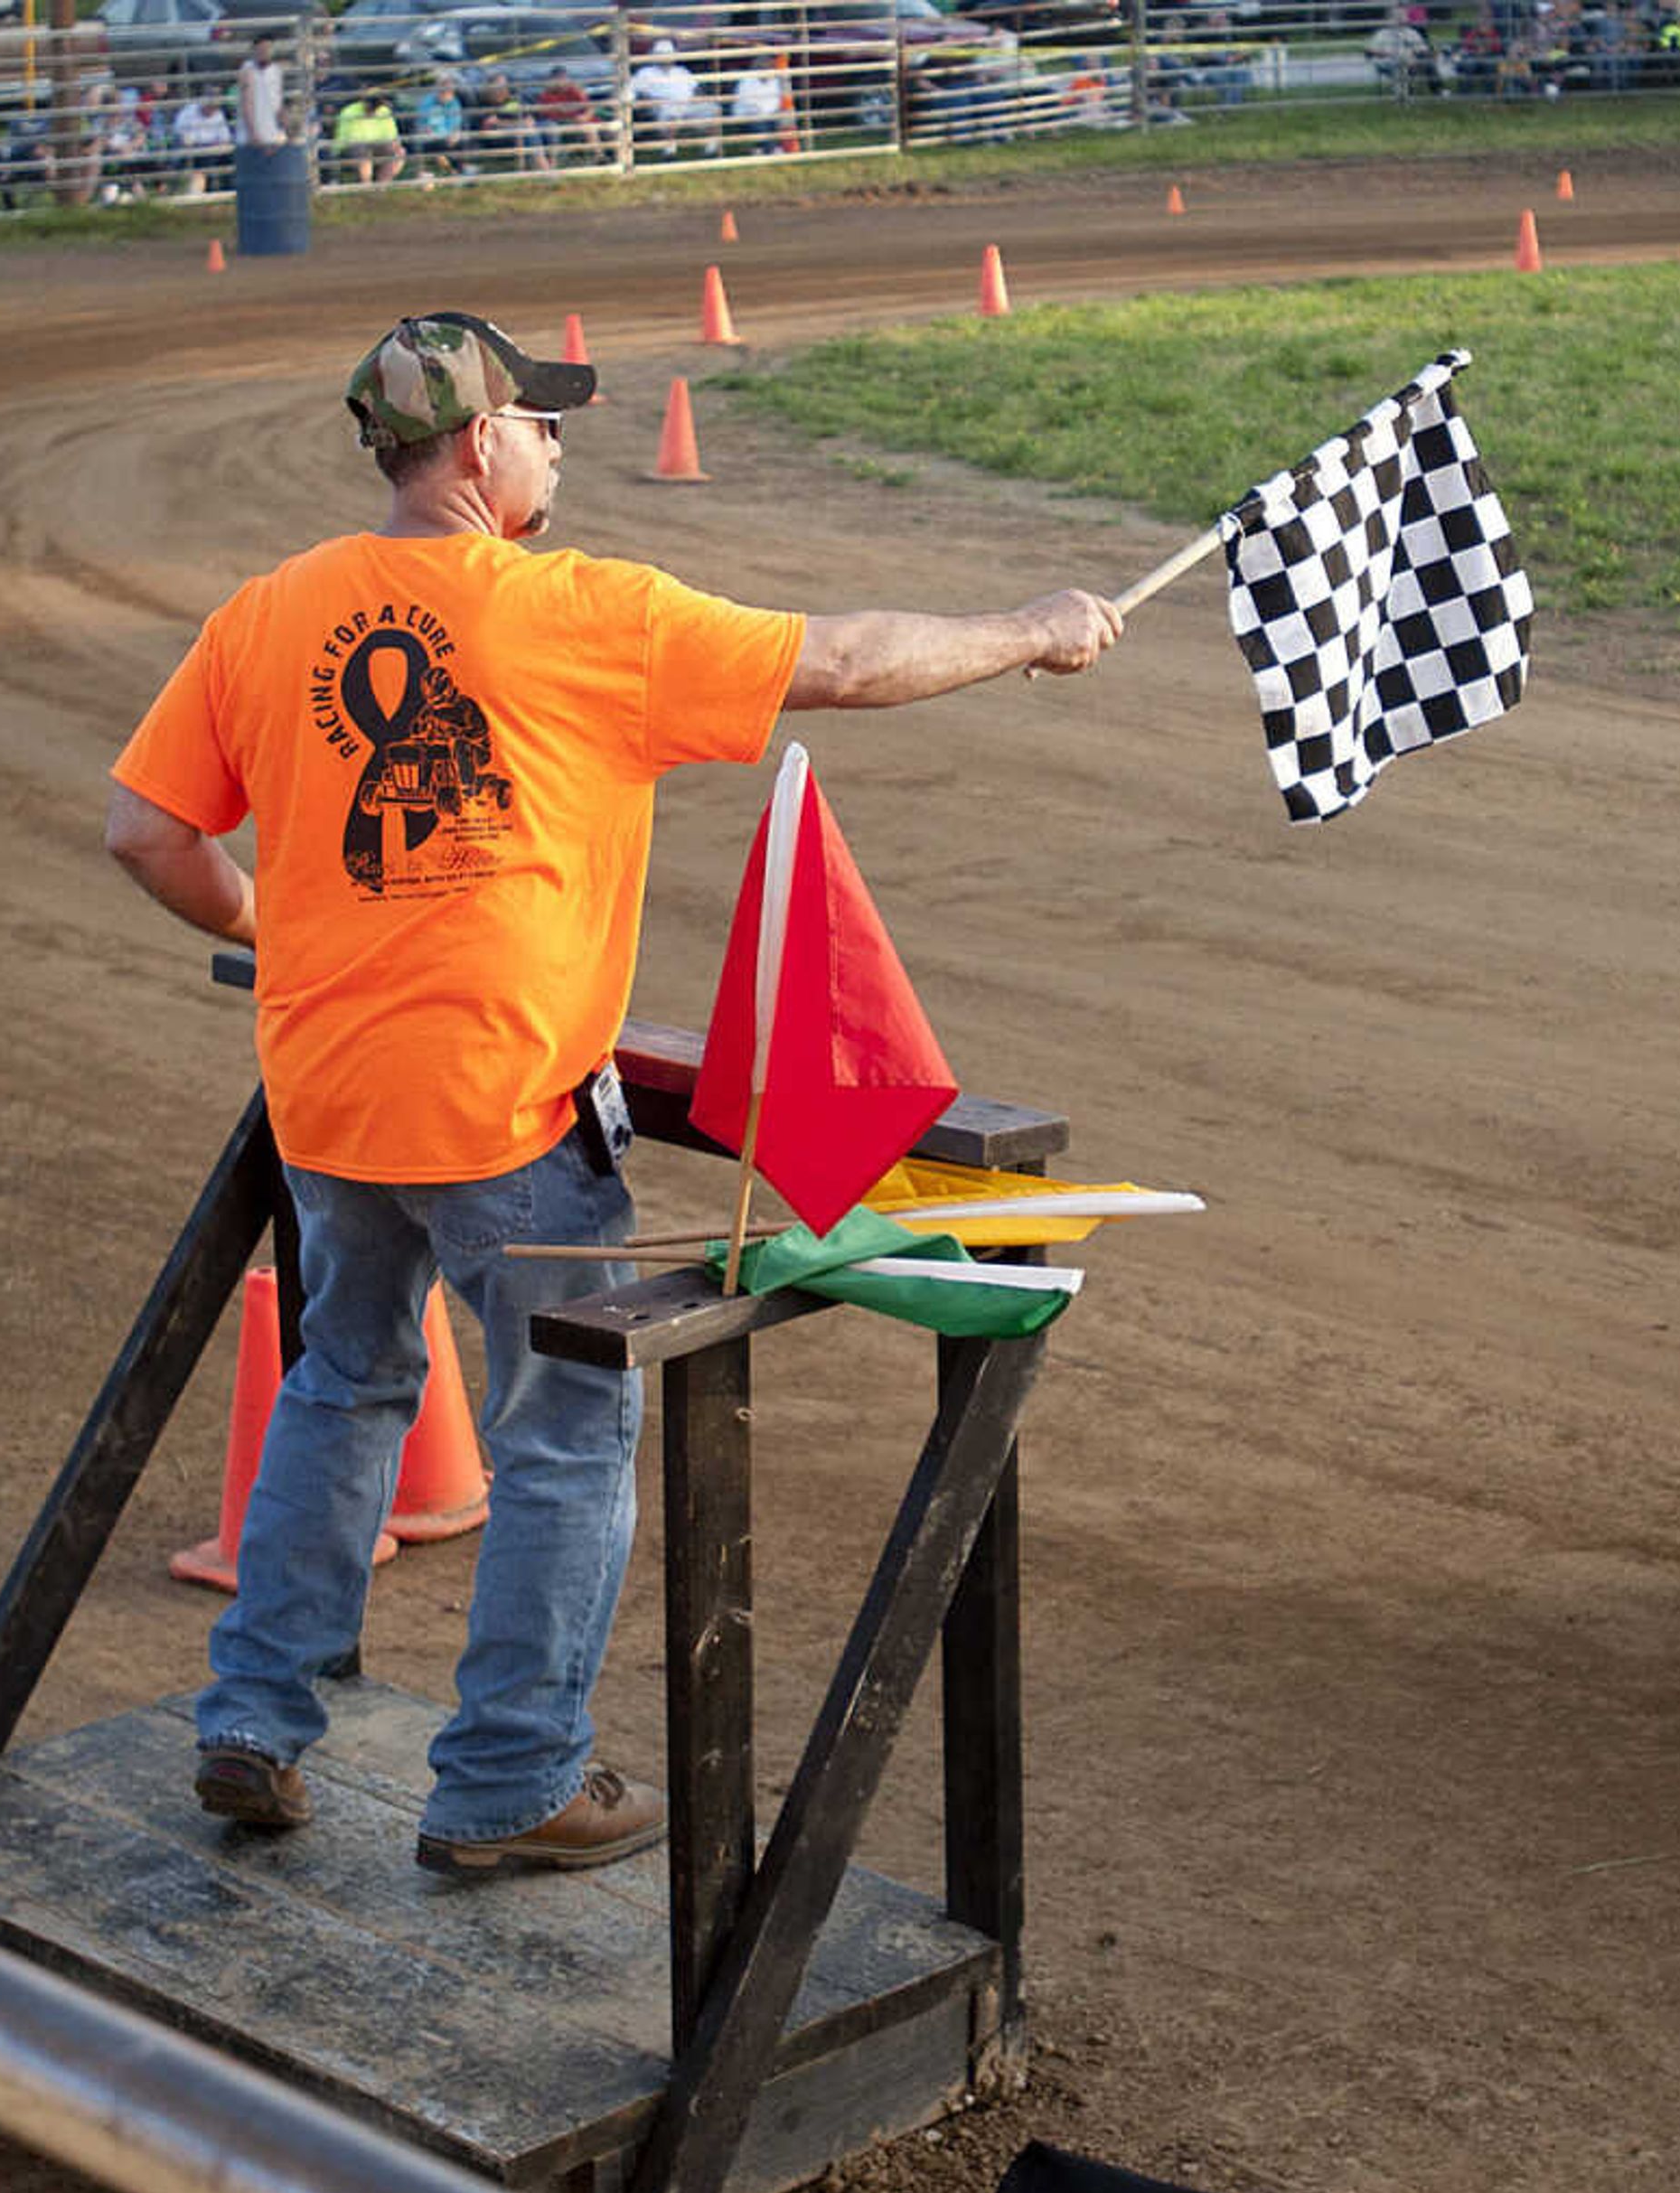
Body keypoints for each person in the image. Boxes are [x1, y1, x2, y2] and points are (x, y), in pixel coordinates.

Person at [102, 314, 1124, 1872]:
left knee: (342, 1382)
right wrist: (1034, 625)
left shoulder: (269, 612)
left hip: (327, 1096)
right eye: (546, 423)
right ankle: (512, 1778)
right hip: (508, 1107)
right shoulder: (577, 613)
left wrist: (266, 926)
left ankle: (254, 1719)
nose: (564, 447)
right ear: (479, 441)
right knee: (566, 1432)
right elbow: (843, 660)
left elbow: (147, 832)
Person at [237, 33, 289, 155]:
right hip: (249, 139)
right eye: (261, 49)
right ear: (254, 50)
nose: (264, 52)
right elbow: (246, 105)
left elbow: (278, 103)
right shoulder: (247, 70)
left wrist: (285, 130)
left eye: (268, 48)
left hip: (272, 137)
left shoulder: (276, 71)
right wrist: (253, 135)